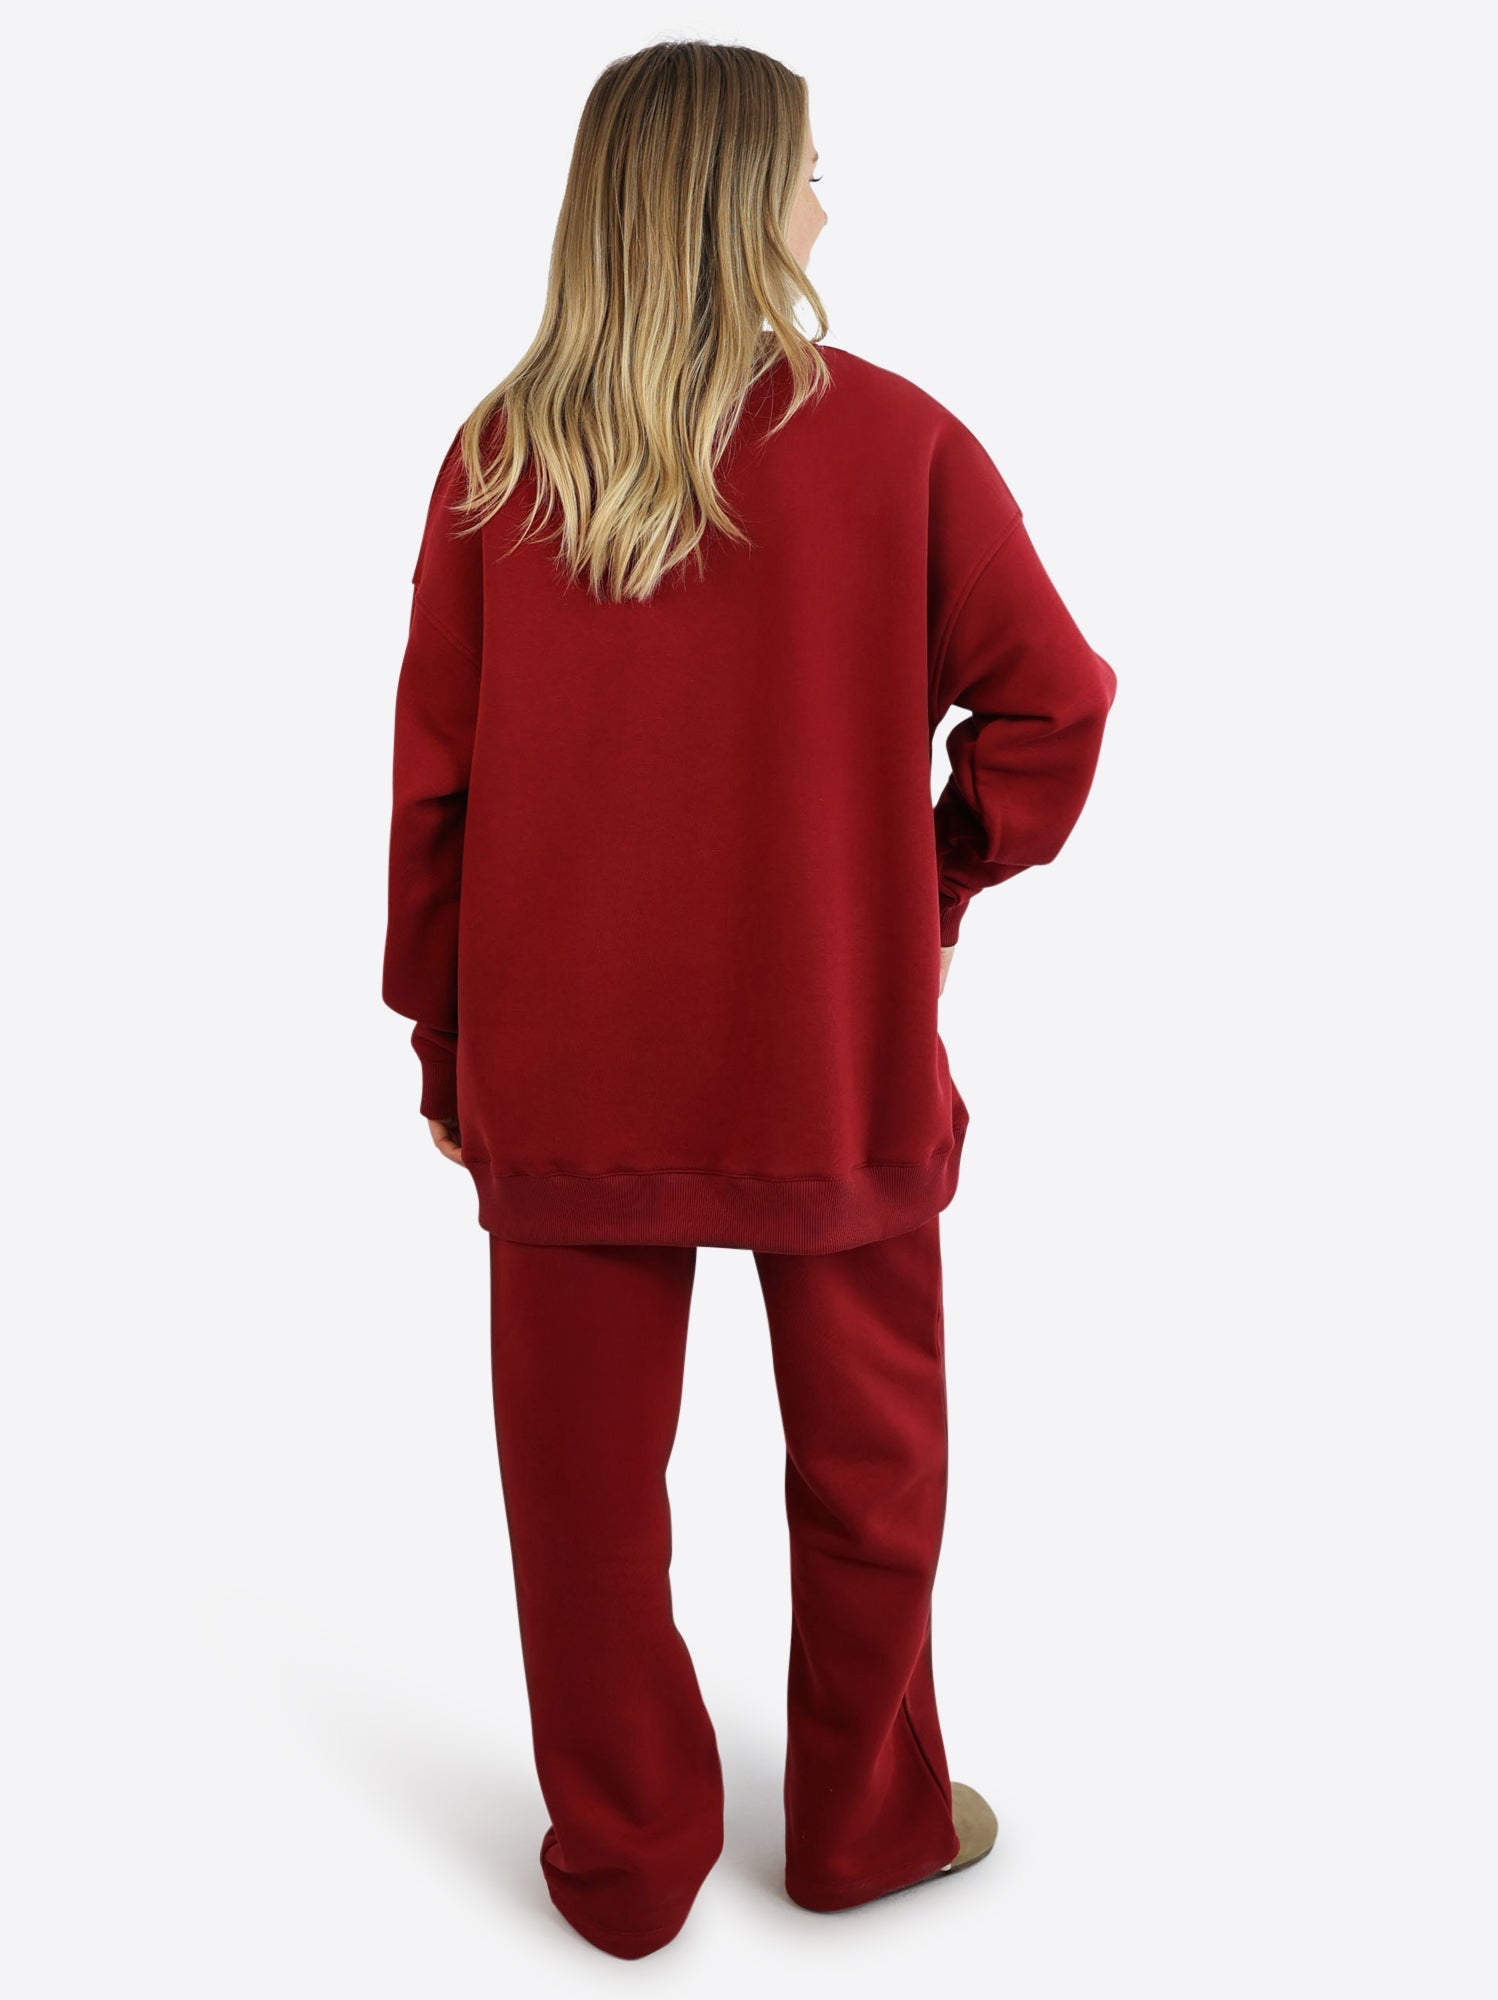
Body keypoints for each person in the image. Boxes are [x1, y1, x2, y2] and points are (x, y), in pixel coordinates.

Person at [382, 38, 1117, 1960]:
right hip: (825, 1049)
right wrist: (922, 890)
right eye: (804, 171)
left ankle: (628, 1864)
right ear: (734, 200)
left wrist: (443, 1039)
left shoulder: (502, 461)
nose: (823, 205)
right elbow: (1057, 707)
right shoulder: (900, 444)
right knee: (872, 1467)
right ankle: (866, 1826)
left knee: (580, 1493)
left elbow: (434, 789)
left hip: (564, 1058)